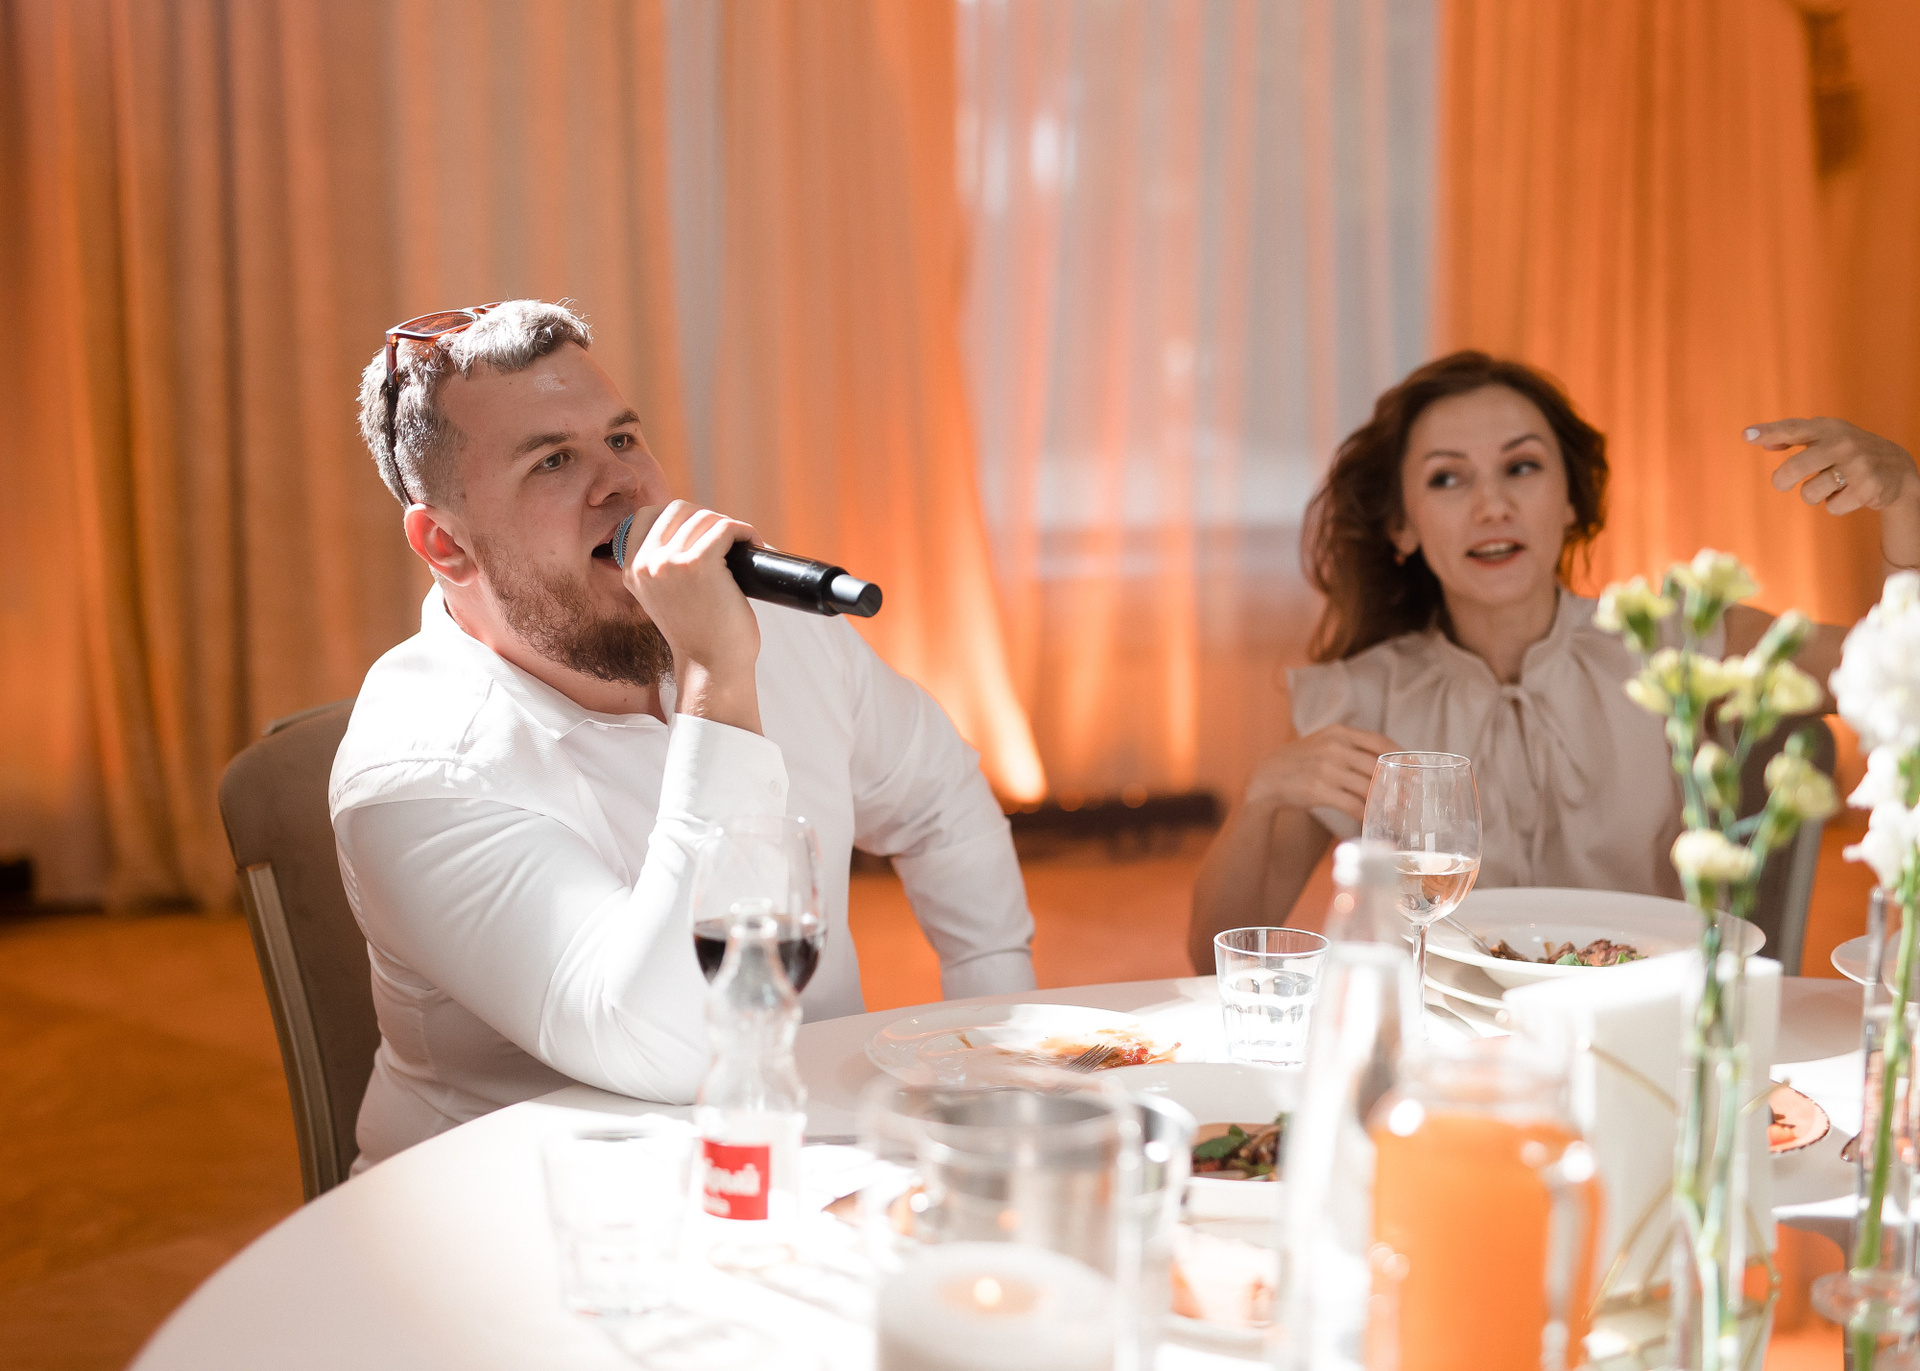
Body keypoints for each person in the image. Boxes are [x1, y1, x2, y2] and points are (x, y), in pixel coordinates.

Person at [331, 299, 1036, 1168]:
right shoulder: (418, 771)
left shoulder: (775, 631)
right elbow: (673, 1044)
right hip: (527, 1215)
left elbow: (939, 799)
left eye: (622, 439)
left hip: (808, 1163)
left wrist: (996, 1040)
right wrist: (716, 678)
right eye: (553, 460)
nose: (622, 485)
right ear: (446, 544)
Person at [1189, 351, 1920, 968]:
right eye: (1448, 478)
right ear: (1402, 525)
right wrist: (1261, 795)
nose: (1491, 506)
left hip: (1640, 1032)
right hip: (1446, 1054)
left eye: (1522, 467)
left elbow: (1903, 669)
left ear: (1572, 500)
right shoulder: (1353, 697)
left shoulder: (1676, 640)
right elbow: (1215, 954)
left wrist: (1906, 499)